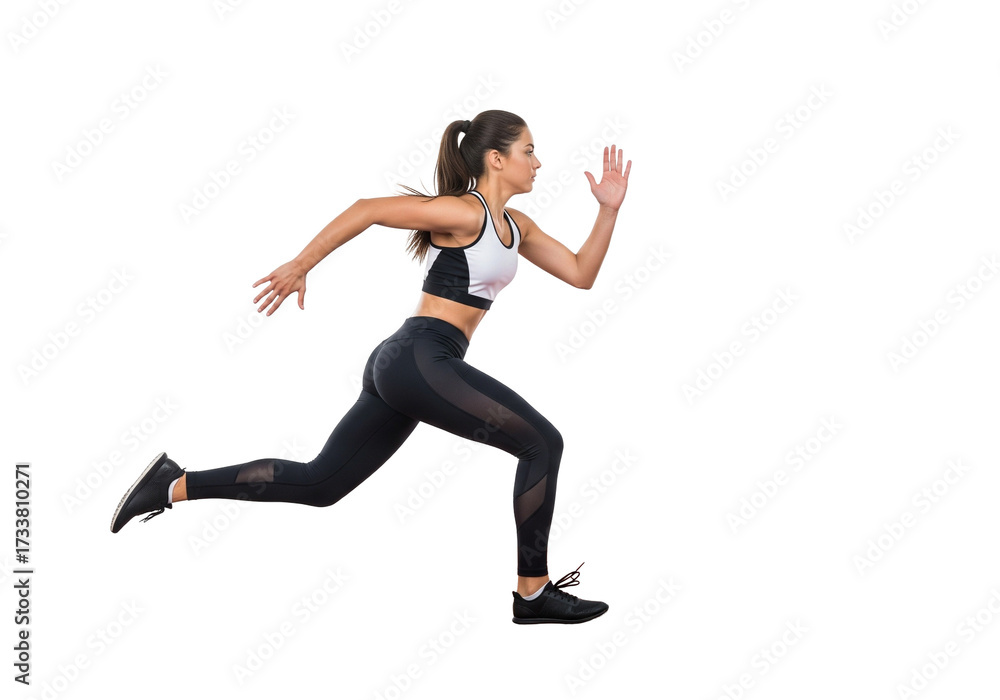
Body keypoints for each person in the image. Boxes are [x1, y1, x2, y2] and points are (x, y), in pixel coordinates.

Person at [111, 109, 631, 625]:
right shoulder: (464, 213)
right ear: (497, 159)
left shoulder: (516, 226)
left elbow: (581, 273)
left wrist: (607, 210)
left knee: (320, 485)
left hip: (411, 361)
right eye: (529, 151)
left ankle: (173, 484)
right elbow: (368, 209)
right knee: (542, 442)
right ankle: (532, 592)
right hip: (419, 357)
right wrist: (301, 264)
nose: (538, 162)